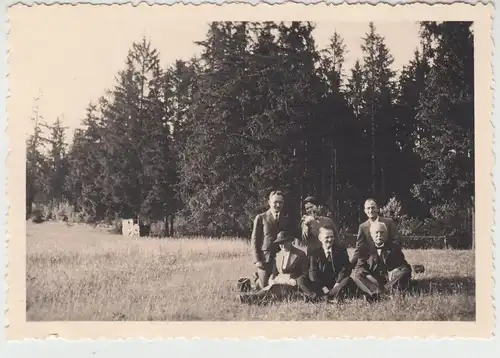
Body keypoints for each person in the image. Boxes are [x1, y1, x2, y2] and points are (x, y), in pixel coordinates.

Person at [240, 231, 318, 304]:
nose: (282, 245)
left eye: (284, 242)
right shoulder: (278, 255)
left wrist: (295, 280)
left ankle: (253, 298)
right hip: (279, 281)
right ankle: (254, 297)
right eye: (280, 243)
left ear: (290, 241)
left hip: (292, 284)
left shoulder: (300, 254)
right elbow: (274, 272)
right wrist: (271, 279)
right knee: (271, 287)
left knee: (275, 289)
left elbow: (305, 273)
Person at [352, 221, 412, 301]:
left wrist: (397, 269)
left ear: (386, 234)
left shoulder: (394, 247)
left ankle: (381, 293)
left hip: (391, 281)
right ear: (371, 235)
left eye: (382, 232)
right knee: (358, 275)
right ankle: (379, 292)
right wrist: (370, 277)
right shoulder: (365, 248)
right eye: (376, 233)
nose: (379, 235)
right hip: (373, 280)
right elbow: (360, 267)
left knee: (406, 271)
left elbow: (405, 266)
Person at [250, 190, 291, 289]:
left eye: (280, 202)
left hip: (281, 258)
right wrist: (257, 260)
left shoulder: (286, 219)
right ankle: (255, 280)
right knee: (264, 286)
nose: (278, 205)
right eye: (275, 202)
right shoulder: (261, 218)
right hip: (265, 258)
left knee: (277, 285)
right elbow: (254, 240)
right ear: (269, 202)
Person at [308, 226, 355, 302]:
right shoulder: (314, 253)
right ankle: (332, 296)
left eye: (332, 237)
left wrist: (338, 283)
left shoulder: (341, 251)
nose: (330, 240)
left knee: (348, 280)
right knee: (311, 282)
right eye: (327, 237)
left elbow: (346, 268)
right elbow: (313, 273)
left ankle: (328, 296)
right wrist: (323, 287)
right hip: (322, 285)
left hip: (337, 284)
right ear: (320, 238)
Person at [351, 198, 400, 266]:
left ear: (377, 209)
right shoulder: (362, 227)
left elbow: (396, 241)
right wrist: (351, 265)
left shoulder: (389, 222)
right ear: (365, 211)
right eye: (368, 208)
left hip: (388, 259)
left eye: (373, 208)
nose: (370, 210)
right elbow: (359, 248)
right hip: (371, 262)